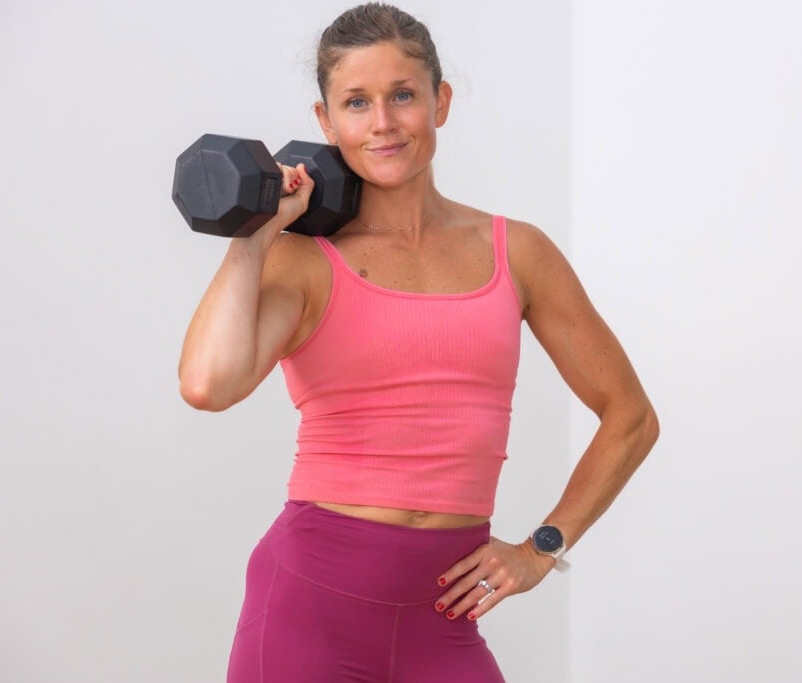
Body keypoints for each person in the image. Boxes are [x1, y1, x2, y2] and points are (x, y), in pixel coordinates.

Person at [178, 3, 659, 681]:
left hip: (444, 617)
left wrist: (542, 546)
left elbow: (631, 415)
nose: (382, 123)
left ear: (442, 101)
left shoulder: (517, 251)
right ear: (325, 122)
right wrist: (254, 237)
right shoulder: (304, 259)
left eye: (403, 95)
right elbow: (207, 384)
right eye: (356, 102)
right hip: (310, 608)